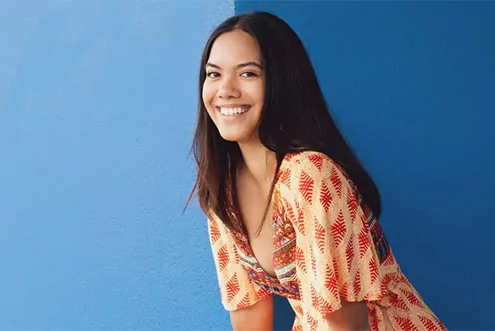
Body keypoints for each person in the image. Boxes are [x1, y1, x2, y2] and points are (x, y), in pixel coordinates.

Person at [189, 11, 446, 330]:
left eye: (248, 74)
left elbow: (345, 325)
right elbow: (248, 315)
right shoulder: (221, 189)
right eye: (213, 74)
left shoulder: (310, 174)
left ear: (282, 82)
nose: (225, 90)